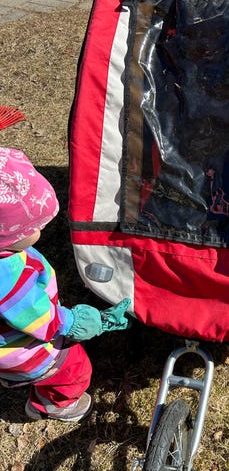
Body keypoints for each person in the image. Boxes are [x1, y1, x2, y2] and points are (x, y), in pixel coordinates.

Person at [0, 146, 131, 422]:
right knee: (72, 370)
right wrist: (73, 322)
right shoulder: (7, 279)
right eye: (33, 227)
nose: (41, 228)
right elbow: (38, 317)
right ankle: (54, 404)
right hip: (23, 347)